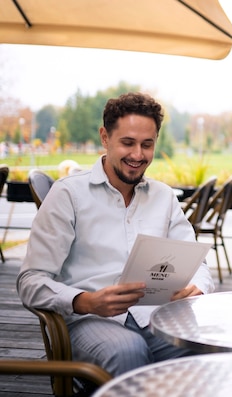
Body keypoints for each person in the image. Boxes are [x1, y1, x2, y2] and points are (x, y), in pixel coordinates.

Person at [17, 93, 214, 381]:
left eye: (147, 145)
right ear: (105, 138)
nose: (138, 155)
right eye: (127, 143)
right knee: (128, 351)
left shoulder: (164, 197)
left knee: (211, 347)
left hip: (155, 317)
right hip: (89, 321)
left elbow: (199, 264)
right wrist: (85, 301)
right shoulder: (68, 194)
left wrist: (197, 287)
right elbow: (30, 281)